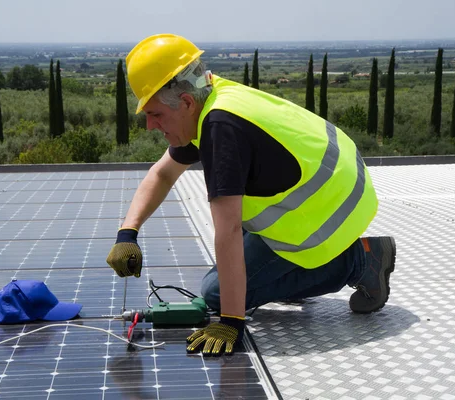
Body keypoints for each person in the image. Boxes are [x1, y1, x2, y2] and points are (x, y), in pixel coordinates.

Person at [106, 33, 396, 357]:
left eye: (155, 114)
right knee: (234, 277)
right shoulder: (208, 94)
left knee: (215, 293)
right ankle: (292, 273)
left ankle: (361, 261)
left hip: (327, 207)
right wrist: (127, 233)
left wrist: (231, 321)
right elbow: (162, 173)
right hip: (333, 178)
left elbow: (227, 231)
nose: (149, 125)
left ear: (185, 102)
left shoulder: (220, 128)